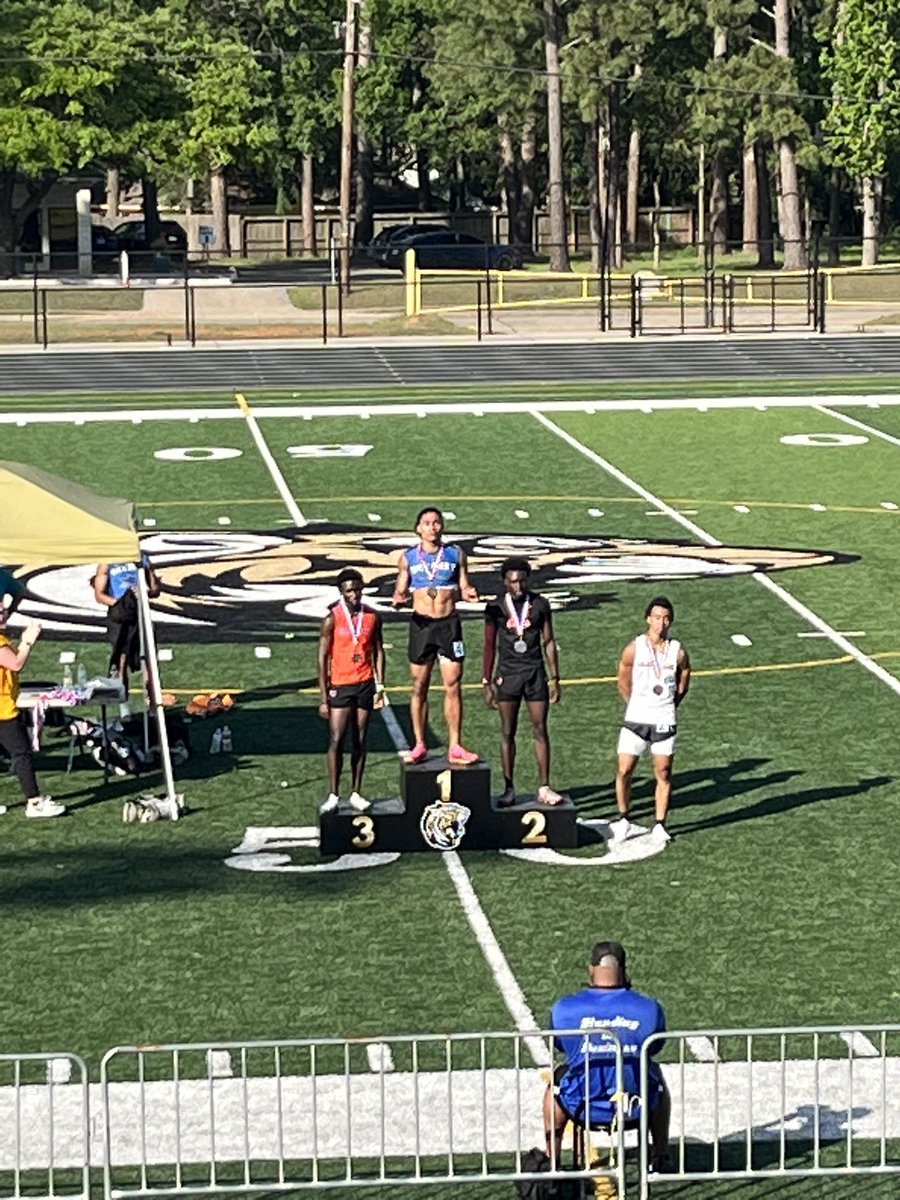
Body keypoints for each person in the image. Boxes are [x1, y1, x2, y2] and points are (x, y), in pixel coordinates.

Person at [544, 941, 670, 1173]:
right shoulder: (649, 1008)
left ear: (591, 970)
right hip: (634, 1104)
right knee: (655, 1078)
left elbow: (560, 1045)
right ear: (623, 970)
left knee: (556, 1083)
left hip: (582, 1104)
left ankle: (552, 1160)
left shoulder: (564, 1009)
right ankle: (661, 1153)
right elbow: (655, 1047)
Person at [392, 507, 479, 766]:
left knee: (453, 684)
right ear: (418, 528)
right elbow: (400, 589)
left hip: (448, 626)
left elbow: (464, 585)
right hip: (422, 626)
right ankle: (420, 744)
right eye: (427, 523)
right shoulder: (408, 557)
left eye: (436, 522)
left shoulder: (456, 554)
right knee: (419, 685)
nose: (432, 527)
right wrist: (398, 598)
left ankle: (455, 745)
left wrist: (469, 592)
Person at [482, 557, 563, 807]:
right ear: (504, 582)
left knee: (540, 729)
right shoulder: (495, 607)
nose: (518, 587)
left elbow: (549, 641)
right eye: (513, 582)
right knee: (508, 731)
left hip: (534, 672)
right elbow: (489, 645)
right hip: (508, 674)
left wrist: (555, 677)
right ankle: (509, 788)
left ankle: (544, 786)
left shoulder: (540, 604)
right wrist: (486, 681)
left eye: (522, 581)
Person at [611, 596, 690, 848]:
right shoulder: (635, 647)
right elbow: (623, 677)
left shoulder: (677, 650)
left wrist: (673, 702)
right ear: (648, 619)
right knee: (624, 769)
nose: (661, 623)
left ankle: (659, 824)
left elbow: (685, 674)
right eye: (657, 618)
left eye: (666, 618)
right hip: (636, 717)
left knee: (663, 771)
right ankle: (624, 817)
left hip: (664, 718)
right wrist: (631, 702)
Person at [318, 568, 386, 813]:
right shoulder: (332, 618)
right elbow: (322, 659)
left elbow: (378, 651)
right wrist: (323, 698)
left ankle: (356, 791)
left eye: (358, 590)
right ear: (341, 592)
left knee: (360, 739)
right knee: (337, 739)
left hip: (364, 683)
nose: (354, 595)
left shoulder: (372, 617)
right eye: (349, 591)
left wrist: (380, 685)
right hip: (340, 685)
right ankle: (334, 794)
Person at [0, 573, 65, 818]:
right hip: (3, 709)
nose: (4, 615)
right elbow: (15, 663)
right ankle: (34, 802)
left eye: (3, 611)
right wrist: (27, 641)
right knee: (21, 753)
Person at [93, 556, 161, 718]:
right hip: (120, 615)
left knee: (149, 659)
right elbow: (99, 595)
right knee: (121, 659)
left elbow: (155, 590)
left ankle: (152, 705)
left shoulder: (142, 559)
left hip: (140, 612)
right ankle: (124, 706)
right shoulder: (107, 562)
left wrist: (144, 592)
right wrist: (121, 603)